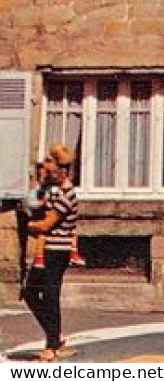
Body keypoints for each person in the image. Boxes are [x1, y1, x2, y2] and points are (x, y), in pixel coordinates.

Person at [23, 144, 78, 363]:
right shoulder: (55, 190)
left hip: (58, 250)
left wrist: (27, 226)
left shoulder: (67, 195)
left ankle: (51, 346)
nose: (47, 169)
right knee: (30, 293)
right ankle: (55, 336)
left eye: (51, 166)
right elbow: (40, 203)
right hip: (48, 249)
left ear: (62, 169)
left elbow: (46, 224)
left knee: (50, 296)